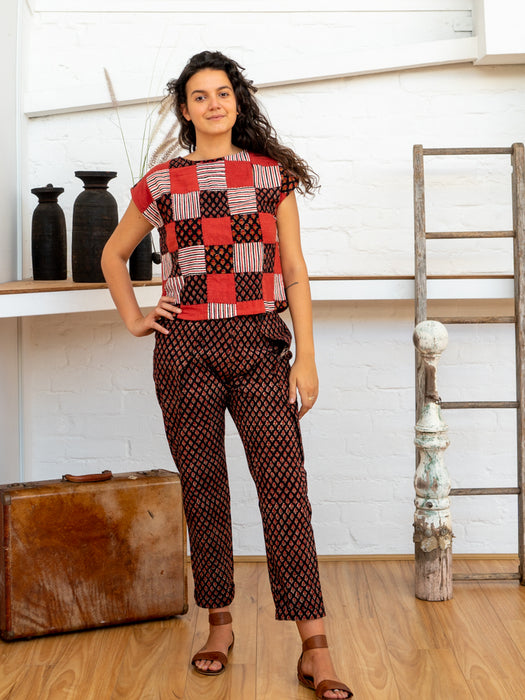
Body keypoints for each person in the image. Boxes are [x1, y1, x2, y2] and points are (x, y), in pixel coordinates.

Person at [101, 50, 352, 700]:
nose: (213, 104)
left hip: (258, 343)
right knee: (204, 489)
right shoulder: (163, 183)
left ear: (237, 102)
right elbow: (113, 254)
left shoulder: (271, 176)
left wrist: (306, 357)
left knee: (285, 489)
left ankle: (315, 646)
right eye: (200, 96)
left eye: (222, 93)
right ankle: (219, 626)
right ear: (185, 110)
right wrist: (136, 318)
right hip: (183, 347)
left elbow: (293, 270)